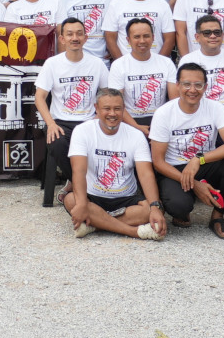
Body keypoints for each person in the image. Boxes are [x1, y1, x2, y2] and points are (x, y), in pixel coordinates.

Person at [149, 62, 224, 238]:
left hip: (204, 163)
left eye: (198, 85)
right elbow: (158, 162)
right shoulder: (164, 113)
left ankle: (218, 216)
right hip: (176, 168)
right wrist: (194, 184)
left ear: (205, 87)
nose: (192, 90)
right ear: (178, 85)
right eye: (186, 84)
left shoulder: (215, 107)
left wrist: (198, 159)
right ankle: (182, 207)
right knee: (179, 207)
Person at [61, 89, 166, 240]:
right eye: (107, 108)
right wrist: (83, 203)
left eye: (117, 108)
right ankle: (133, 232)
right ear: (96, 108)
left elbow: (145, 174)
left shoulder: (135, 135)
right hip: (93, 196)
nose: (112, 113)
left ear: (124, 109)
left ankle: (95, 224)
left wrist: (155, 206)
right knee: (71, 200)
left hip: (125, 197)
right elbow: (79, 171)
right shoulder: (82, 131)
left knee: (152, 210)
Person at [34, 19, 108, 205]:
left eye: (79, 33)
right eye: (70, 34)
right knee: (56, 143)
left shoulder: (97, 64)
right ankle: (83, 185)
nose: (75, 38)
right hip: (61, 122)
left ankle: (74, 185)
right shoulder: (52, 64)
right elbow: (39, 97)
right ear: (62, 38)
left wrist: (99, 116)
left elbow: (107, 95)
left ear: (85, 37)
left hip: (90, 121)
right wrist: (50, 123)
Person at [177, 13, 224, 126]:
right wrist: (215, 120)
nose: (213, 36)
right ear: (197, 37)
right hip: (201, 121)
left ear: (223, 35)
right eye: (207, 33)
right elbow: (184, 95)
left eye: (217, 32)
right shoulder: (188, 60)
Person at [107, 19, 172, 125]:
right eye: (137, 37)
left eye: (146, 36)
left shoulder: (166, 63)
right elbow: (116, 104)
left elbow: (174, 101)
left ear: (153, 38)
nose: (142, 41)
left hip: (161, 121)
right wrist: (137, 127)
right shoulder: (118, 65)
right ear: (128, 40)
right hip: (129, 121)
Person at [105, 0, 173, 59]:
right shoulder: (115, 5)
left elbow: (169, 38)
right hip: (125, 65)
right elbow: (110, 38)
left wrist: (159, 62)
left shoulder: (162, 5)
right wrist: (121, 63)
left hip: (156, 65)